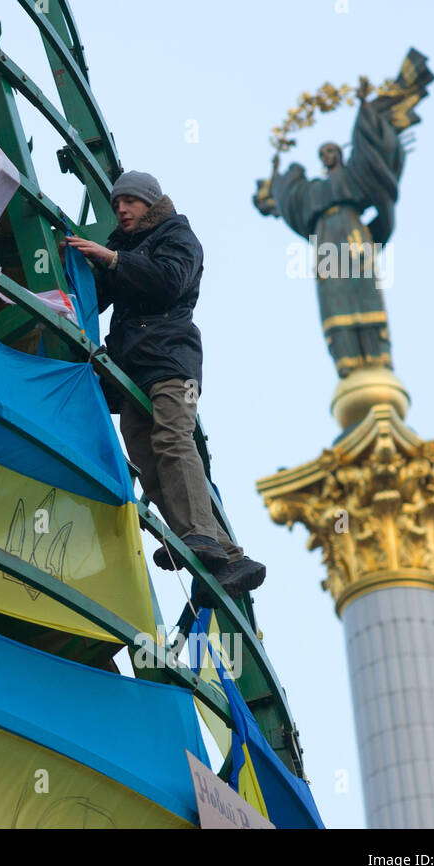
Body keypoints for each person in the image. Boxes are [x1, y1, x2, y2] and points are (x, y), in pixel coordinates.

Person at [63, 171, 265, 594]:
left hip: (173, 363)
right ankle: (225, 556)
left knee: (173, 439)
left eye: (130, 202)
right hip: (137, 368)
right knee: (145, 450)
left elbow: (170, 281)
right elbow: (94, 296)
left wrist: (113, 261)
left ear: (151, 204)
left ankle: (200, 536)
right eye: (117, 204)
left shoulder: (178, 236)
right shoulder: (124, 246)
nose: (120, 209)